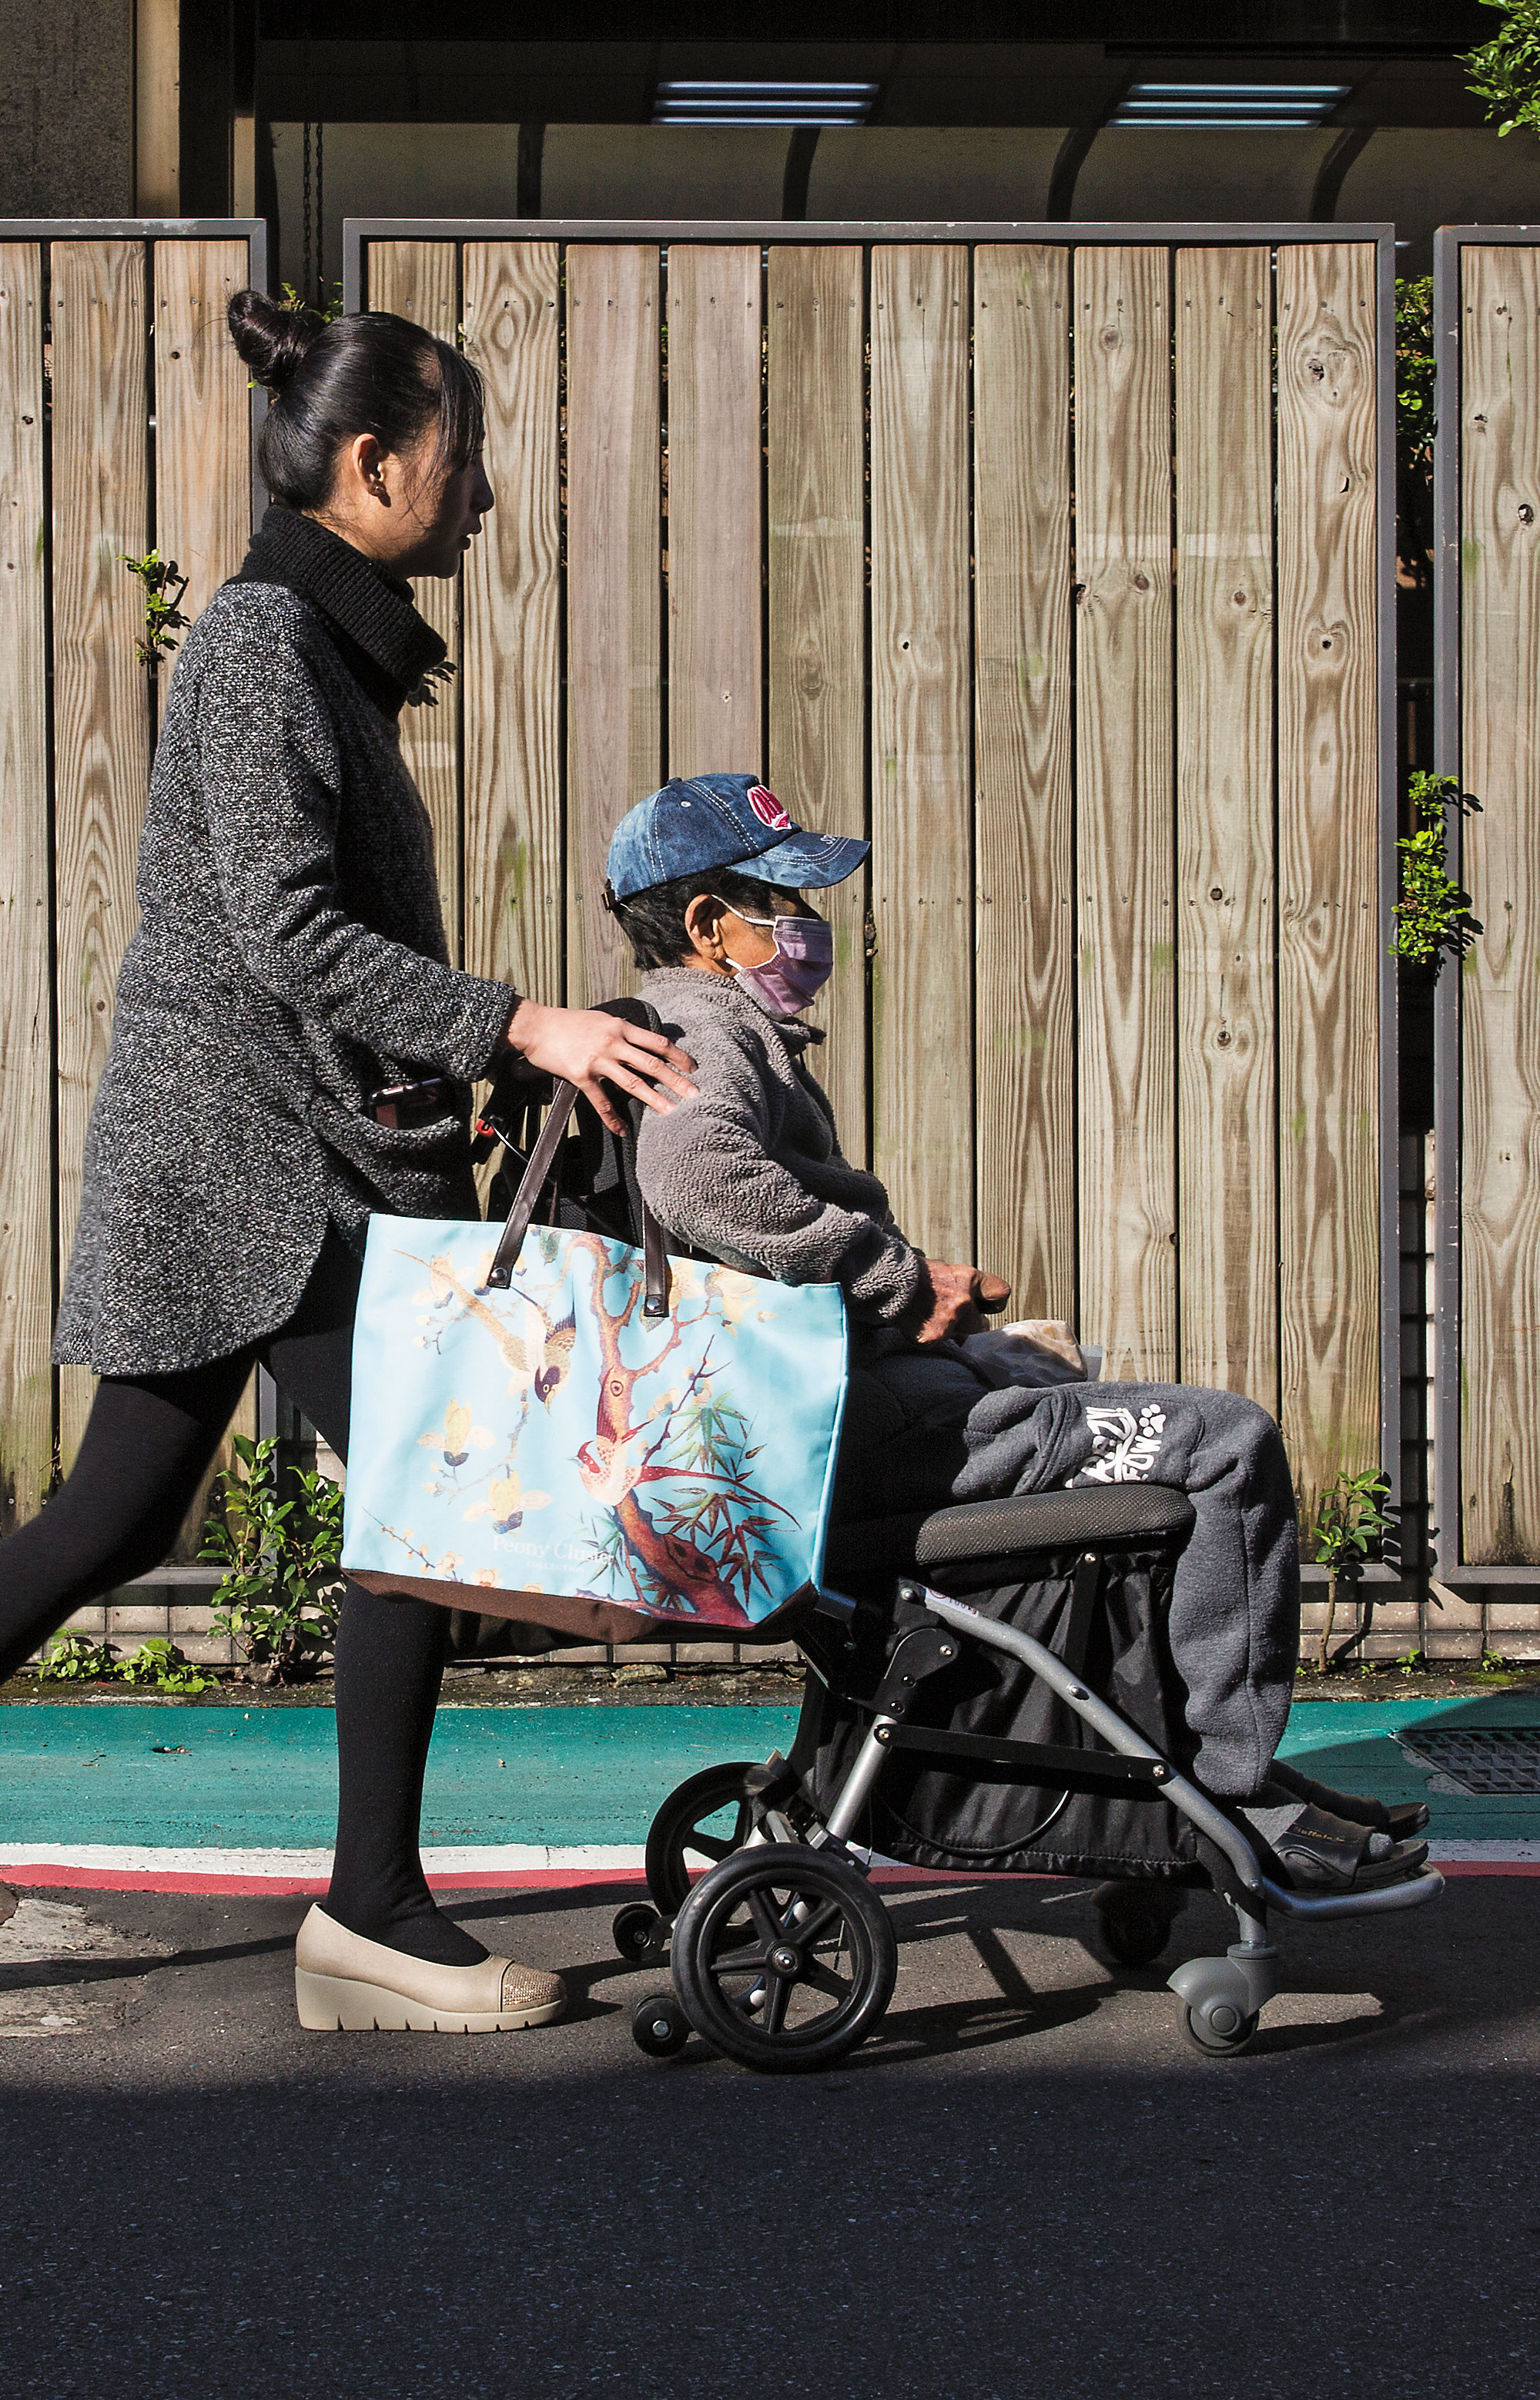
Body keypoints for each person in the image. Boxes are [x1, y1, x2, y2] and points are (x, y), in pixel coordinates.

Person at [0, 294, 696, 2034]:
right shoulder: (256, 648)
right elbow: (282, 927)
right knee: (413, 1497)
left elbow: (301, 943)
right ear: (371, 468)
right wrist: (516, 1027)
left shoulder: (320, 651)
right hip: (255, 1169)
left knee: (114, 1515)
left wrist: (453, 1064)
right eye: (464, 463)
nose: (487, 499)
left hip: (280, 1155)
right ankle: (371, 1915)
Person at [597, 773, 1416, 1891]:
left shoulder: (704, 1029)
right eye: (783, 900)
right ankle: (1229, 1790)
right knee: (1225, 1442)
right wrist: (895, 1275)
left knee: (1046, 1368)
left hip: (848, 1408)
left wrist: (935, 1308)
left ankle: (1192, 1761)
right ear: (705, 924)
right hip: (859, 1434)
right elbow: (695, 1174)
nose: (811, 928)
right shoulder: (709, 1025)